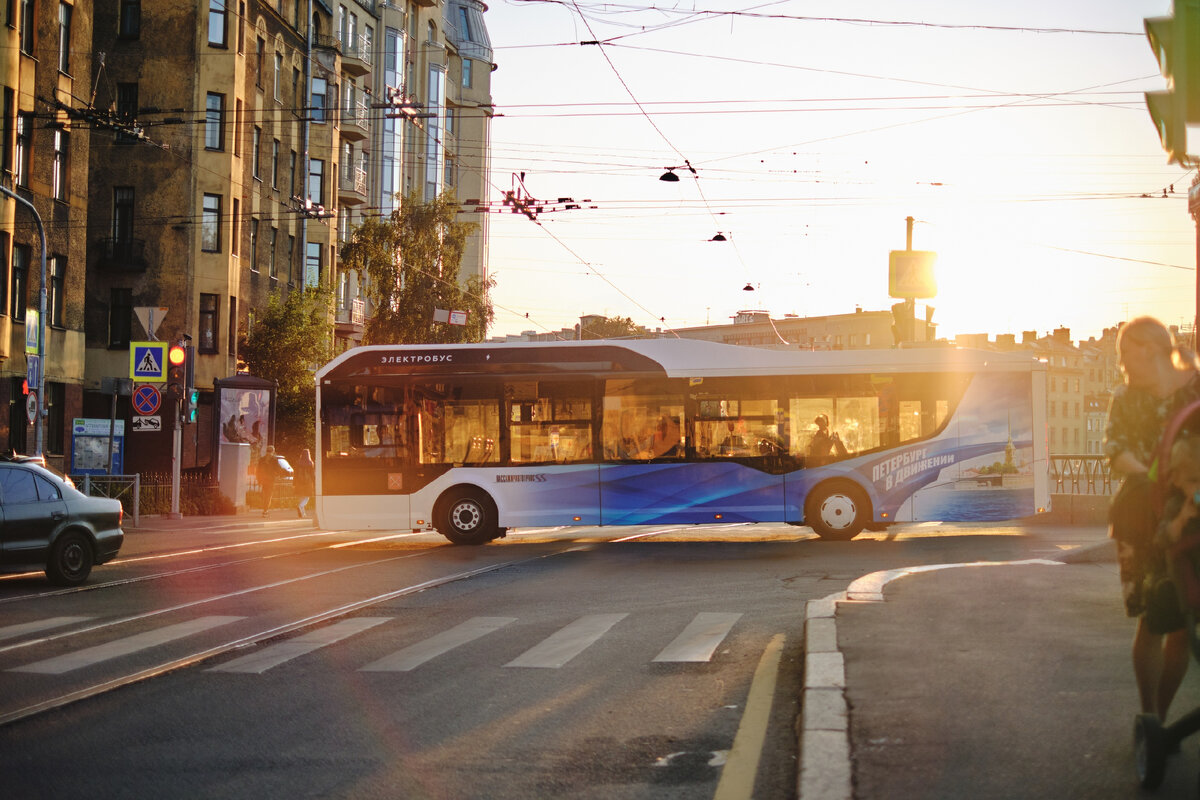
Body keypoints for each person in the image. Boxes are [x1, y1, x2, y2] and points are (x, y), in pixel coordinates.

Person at [1104, 316, 1200, 722]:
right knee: (1152, 619)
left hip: (1193, 511)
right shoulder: (1126, 397)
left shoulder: (1193, 389)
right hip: (1141, 517)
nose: (1122, 362)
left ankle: (1159, 720)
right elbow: (1115, 450)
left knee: (1183, 625)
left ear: (1148, 348)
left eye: (1126, 351)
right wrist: (1150, 475)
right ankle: (1151, 720)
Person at [258, 445, 282, 516]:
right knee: (269, 495)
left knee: (265, 495)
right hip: (271, 480)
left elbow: (258, 470)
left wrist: (259, 479)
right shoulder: (274, 459)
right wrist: (276, 475)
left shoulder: (262, 459)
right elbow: (278, 469)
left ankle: (265, 509)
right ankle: (265, 510)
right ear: (273, 451)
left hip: (263, 479)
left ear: (266, 451)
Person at [294, 448, 315, 519]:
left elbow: (295, 474)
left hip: (299, 482)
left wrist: (294, 483)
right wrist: (314, 482)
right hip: (307, 482)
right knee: (307, 497)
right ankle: (300, 506)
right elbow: (312, 474)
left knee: (301, 496)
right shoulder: (310, 463)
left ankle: (303, 513)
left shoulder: (298, 462)